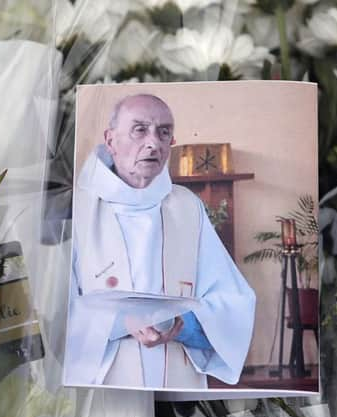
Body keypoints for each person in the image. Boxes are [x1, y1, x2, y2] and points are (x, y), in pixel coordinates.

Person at [64, 93, 256, 389]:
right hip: (102, 382)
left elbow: (233, 300)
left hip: (177, 379)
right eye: (139, 129)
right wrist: (122, 323)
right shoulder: (77, 208)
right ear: (111, 139)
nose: (153, 142)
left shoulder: (186, 207)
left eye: (164, 132)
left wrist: (180, 324)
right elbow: (52, 309)